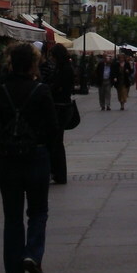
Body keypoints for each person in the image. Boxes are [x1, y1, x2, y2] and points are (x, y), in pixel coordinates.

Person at [0, 42, 58, 273]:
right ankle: (32, 254)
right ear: (33, 64)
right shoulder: (41, 90)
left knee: (12, 217)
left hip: (8, 158)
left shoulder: (1, 89)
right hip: (36, 155)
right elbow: (53, 129)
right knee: (38, 211)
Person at [45, 43, 75, 183]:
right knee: (57, 142)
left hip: (60, 107)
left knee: (57, 142)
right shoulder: (63, 67)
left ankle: (59, 174)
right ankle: (57, 173)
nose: (51, 58)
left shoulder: (64, 69)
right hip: (62, 106)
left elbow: (58, 86)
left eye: (52, 55)